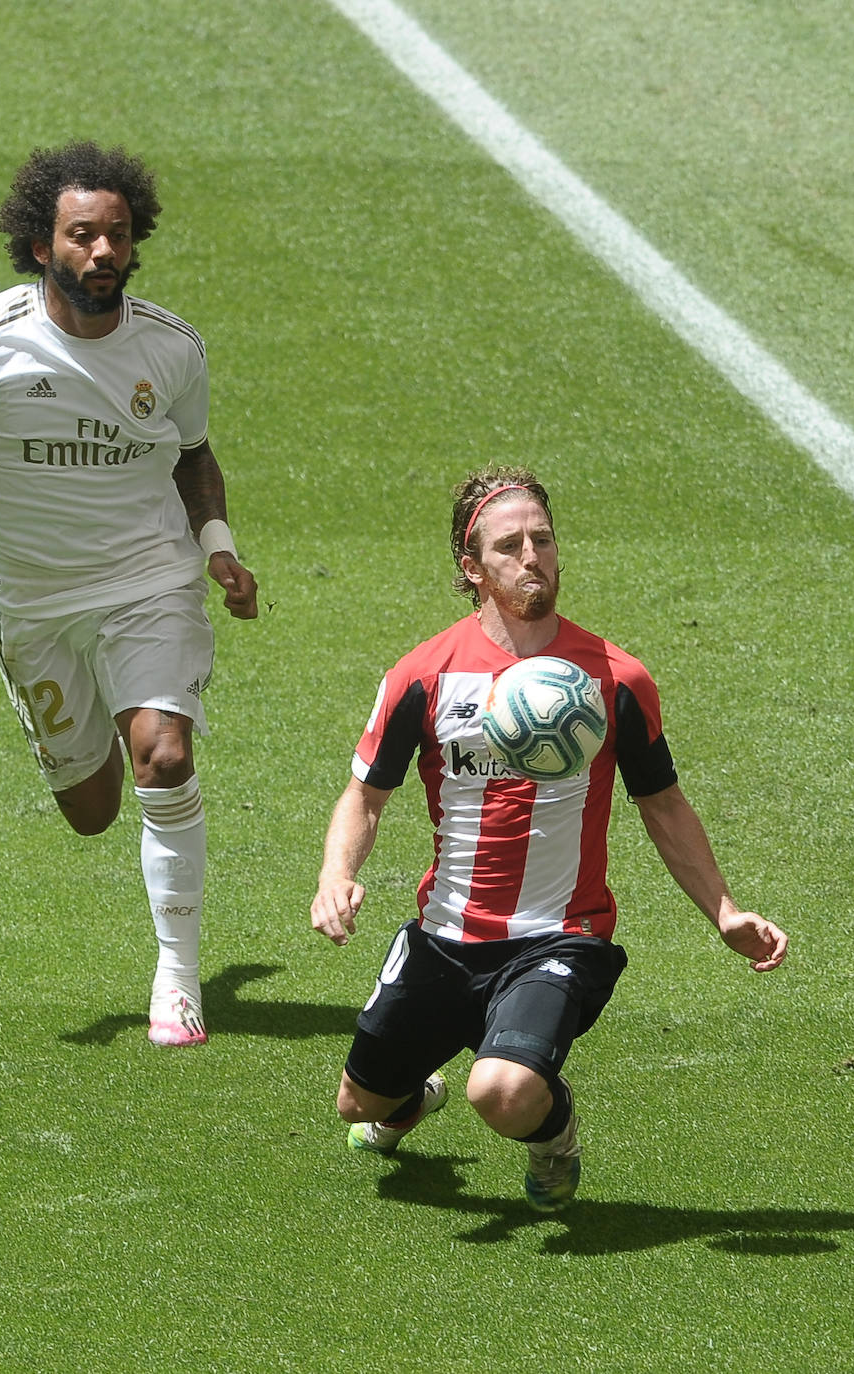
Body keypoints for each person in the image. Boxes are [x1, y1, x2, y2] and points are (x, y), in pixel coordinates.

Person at [0, 140, 258, 1048]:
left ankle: (178, 979)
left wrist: (219, 548)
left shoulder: (171, 347)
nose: (102, 253)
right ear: (41, 246)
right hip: (32, 604)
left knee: (162, 757)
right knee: (93, 810)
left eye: (116, 235)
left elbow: (193, 454)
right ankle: (102, 744)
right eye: (82, 236)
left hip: (146, 580)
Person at [310, 466, 786, 1211]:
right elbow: (365, 795)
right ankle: (409, 1099)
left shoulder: (614, 679)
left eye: (544, 538)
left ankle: (552, 1134)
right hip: (446, 936)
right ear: (472, 569)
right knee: (357, 1104)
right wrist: (335, 875)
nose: (532, 556)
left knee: (501, 1092)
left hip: (559, 937)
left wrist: (723, 910)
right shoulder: (423, 676)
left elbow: (662, 805)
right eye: (510, 545)